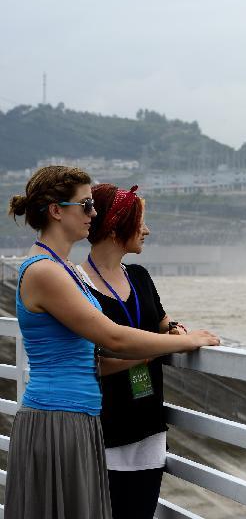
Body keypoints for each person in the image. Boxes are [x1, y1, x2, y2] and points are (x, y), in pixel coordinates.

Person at [5, 165, 220, 519]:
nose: (93, 214)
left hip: (78, 417)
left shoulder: (65, 269)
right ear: (57, 211)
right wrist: (184, 341)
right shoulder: (45, 271)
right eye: (85, 205)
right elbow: (111, 336)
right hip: (59, 416)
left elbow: (95, 352)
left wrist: (160, 343)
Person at [73, 183, 178, 518]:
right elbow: (95, 361)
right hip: (102, 430)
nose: (146, 230)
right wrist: (158, 349)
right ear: (117, 227)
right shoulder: (75, 284)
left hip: (148, 427)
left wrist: (175, 332)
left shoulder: (140, 277)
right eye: (140, 222)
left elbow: (164, 324)